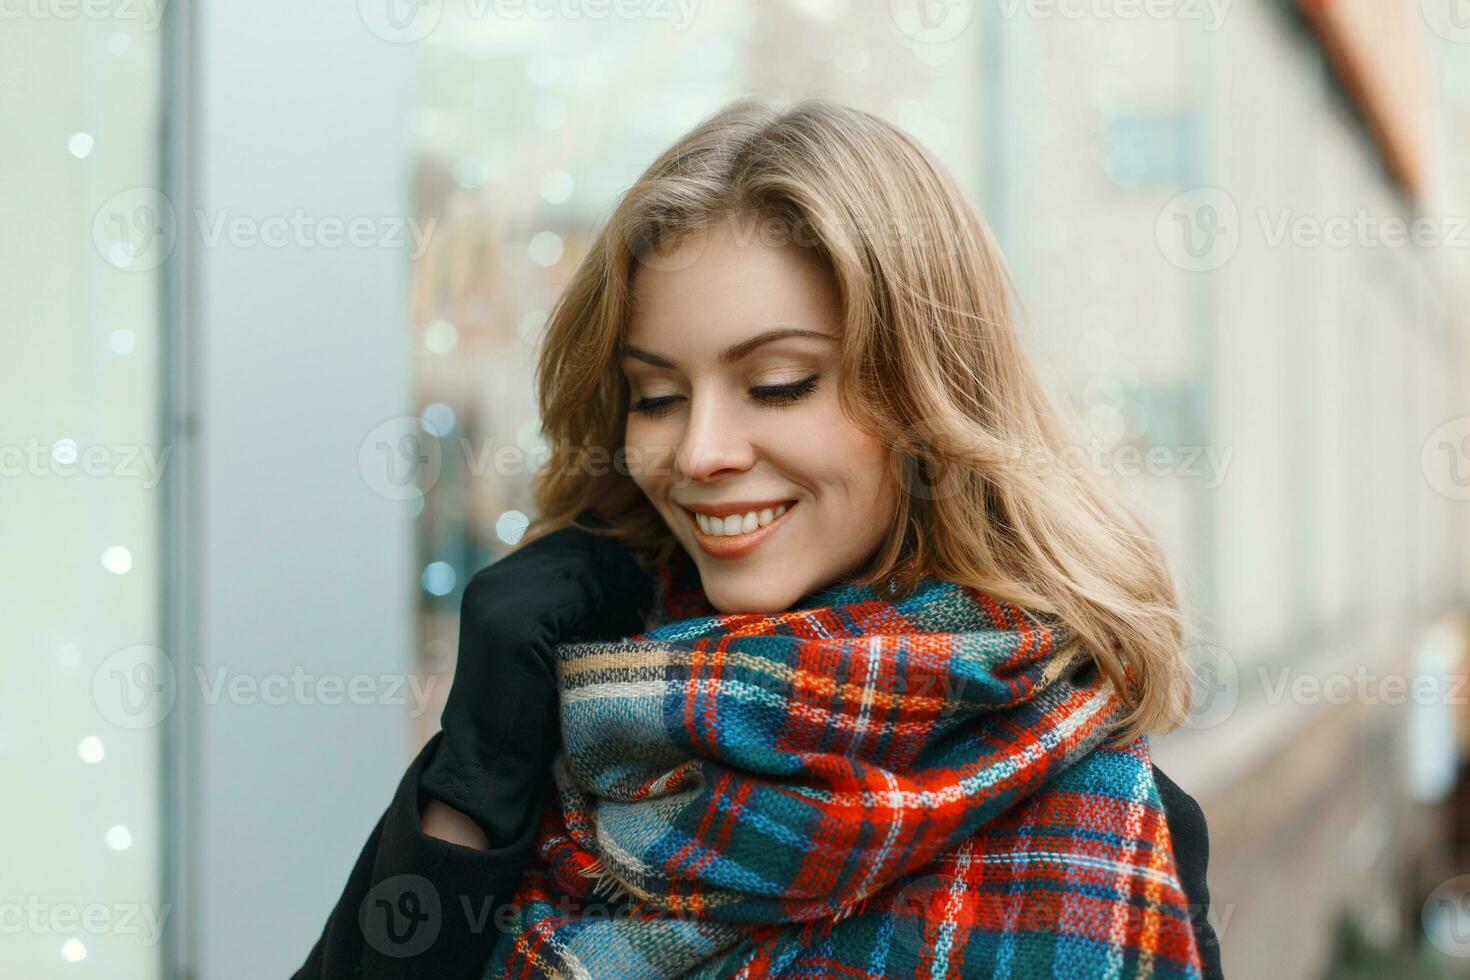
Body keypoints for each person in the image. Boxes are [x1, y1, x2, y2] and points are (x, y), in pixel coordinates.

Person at [295, 98, 1224, 978]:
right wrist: (481, 767)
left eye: (779, 383)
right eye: (656, 397)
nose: (699, 451)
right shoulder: (557, 722)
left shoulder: (1101, 821)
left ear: (927, 396)